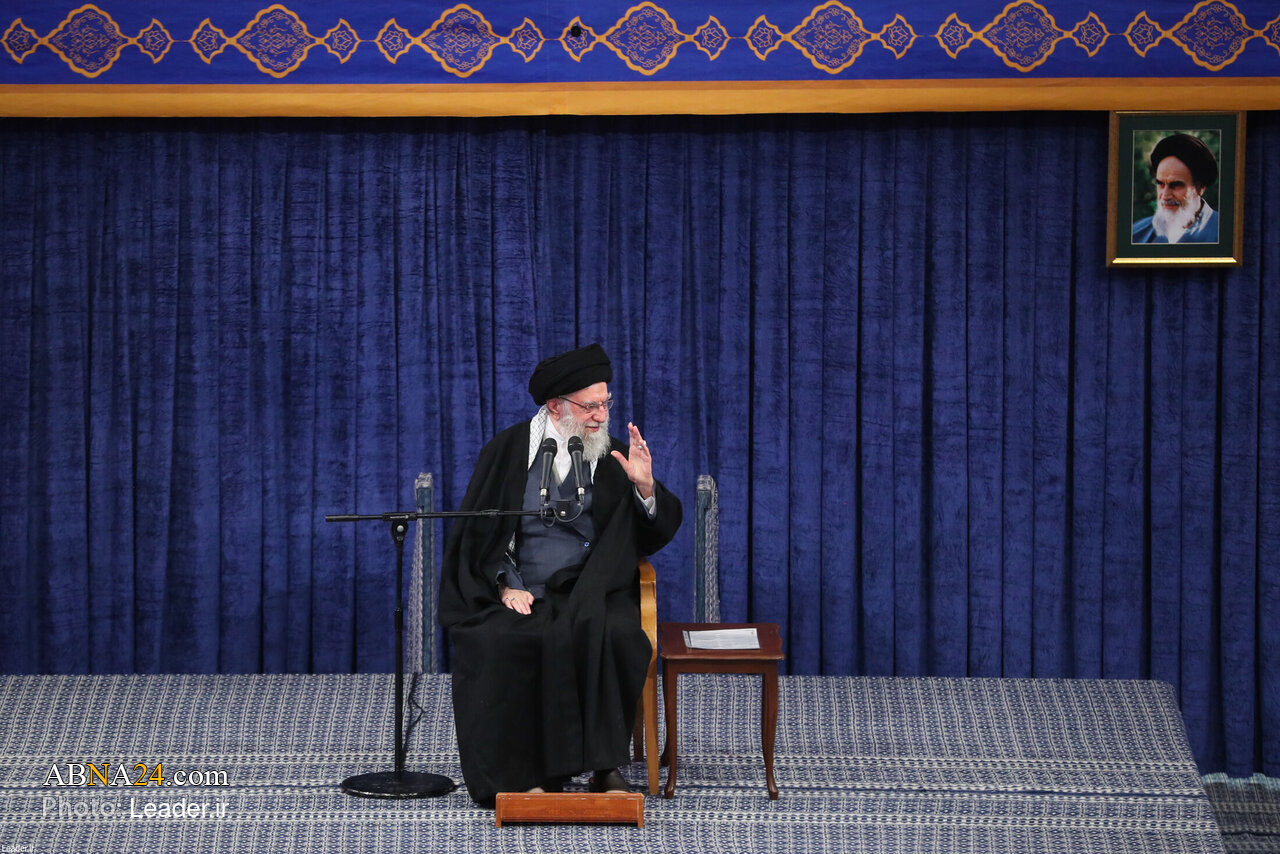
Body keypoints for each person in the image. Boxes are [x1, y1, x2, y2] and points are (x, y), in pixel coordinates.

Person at [438, 343, 682, 805]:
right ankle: (520, 775)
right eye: (590, 406)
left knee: (616, 636)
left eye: (605, 403)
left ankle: (605, 768)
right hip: (524, 588)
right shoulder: (507, 450)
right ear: (555, 406)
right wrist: (505, 584)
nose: (600, 416)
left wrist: (645, 487)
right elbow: (479, 537)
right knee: (495, 641)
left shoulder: (614, 455)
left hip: (593, 588)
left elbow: (652, 533)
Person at [1131, 132, 1219, 244]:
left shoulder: (1226, 233)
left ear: (1200, 187)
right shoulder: (1136, 234)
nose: (1165, 195)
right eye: (1160, 184)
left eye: (1175, 185)